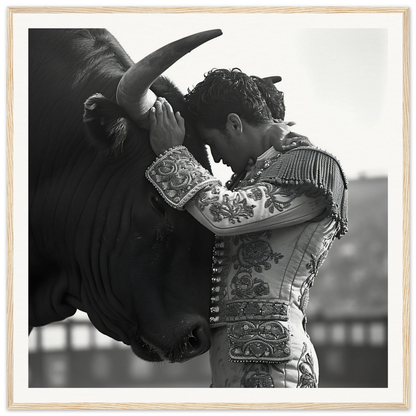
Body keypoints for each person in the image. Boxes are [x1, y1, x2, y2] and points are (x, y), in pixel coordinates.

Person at [145, 68, 348, 388]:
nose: (216, 158)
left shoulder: (312, 167)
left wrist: (173, 154)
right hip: (239, 361)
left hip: (274, 364)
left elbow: (224, 214)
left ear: (234, 123)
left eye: (211, 142)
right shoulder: (256, 176)